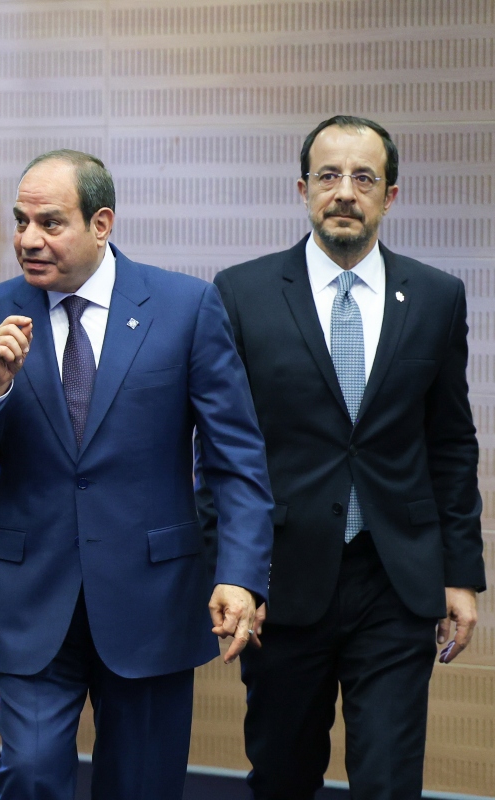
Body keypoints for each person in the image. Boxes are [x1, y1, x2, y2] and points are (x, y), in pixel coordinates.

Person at [0, 149, 274, 800]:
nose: (29, 239)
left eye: (50, 223)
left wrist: (241, 573)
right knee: (29, 774)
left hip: (152, 595)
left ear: (101, 223)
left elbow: (235, 456)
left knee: (141, 786)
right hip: (34, 594)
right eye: (21, 221)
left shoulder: (185, 306)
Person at [203, 115, 485, 799]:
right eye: (328, 176)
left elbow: (450, 443)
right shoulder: (241, 294)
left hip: (395, 578)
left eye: (364, 178)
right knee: (283, 776)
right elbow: (220, 449)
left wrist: (460, 573)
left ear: (391, 196)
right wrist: (233, 569)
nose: (345, 192)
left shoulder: (437, 297)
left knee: (388, 781)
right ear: (303, 189)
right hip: (282, 579)